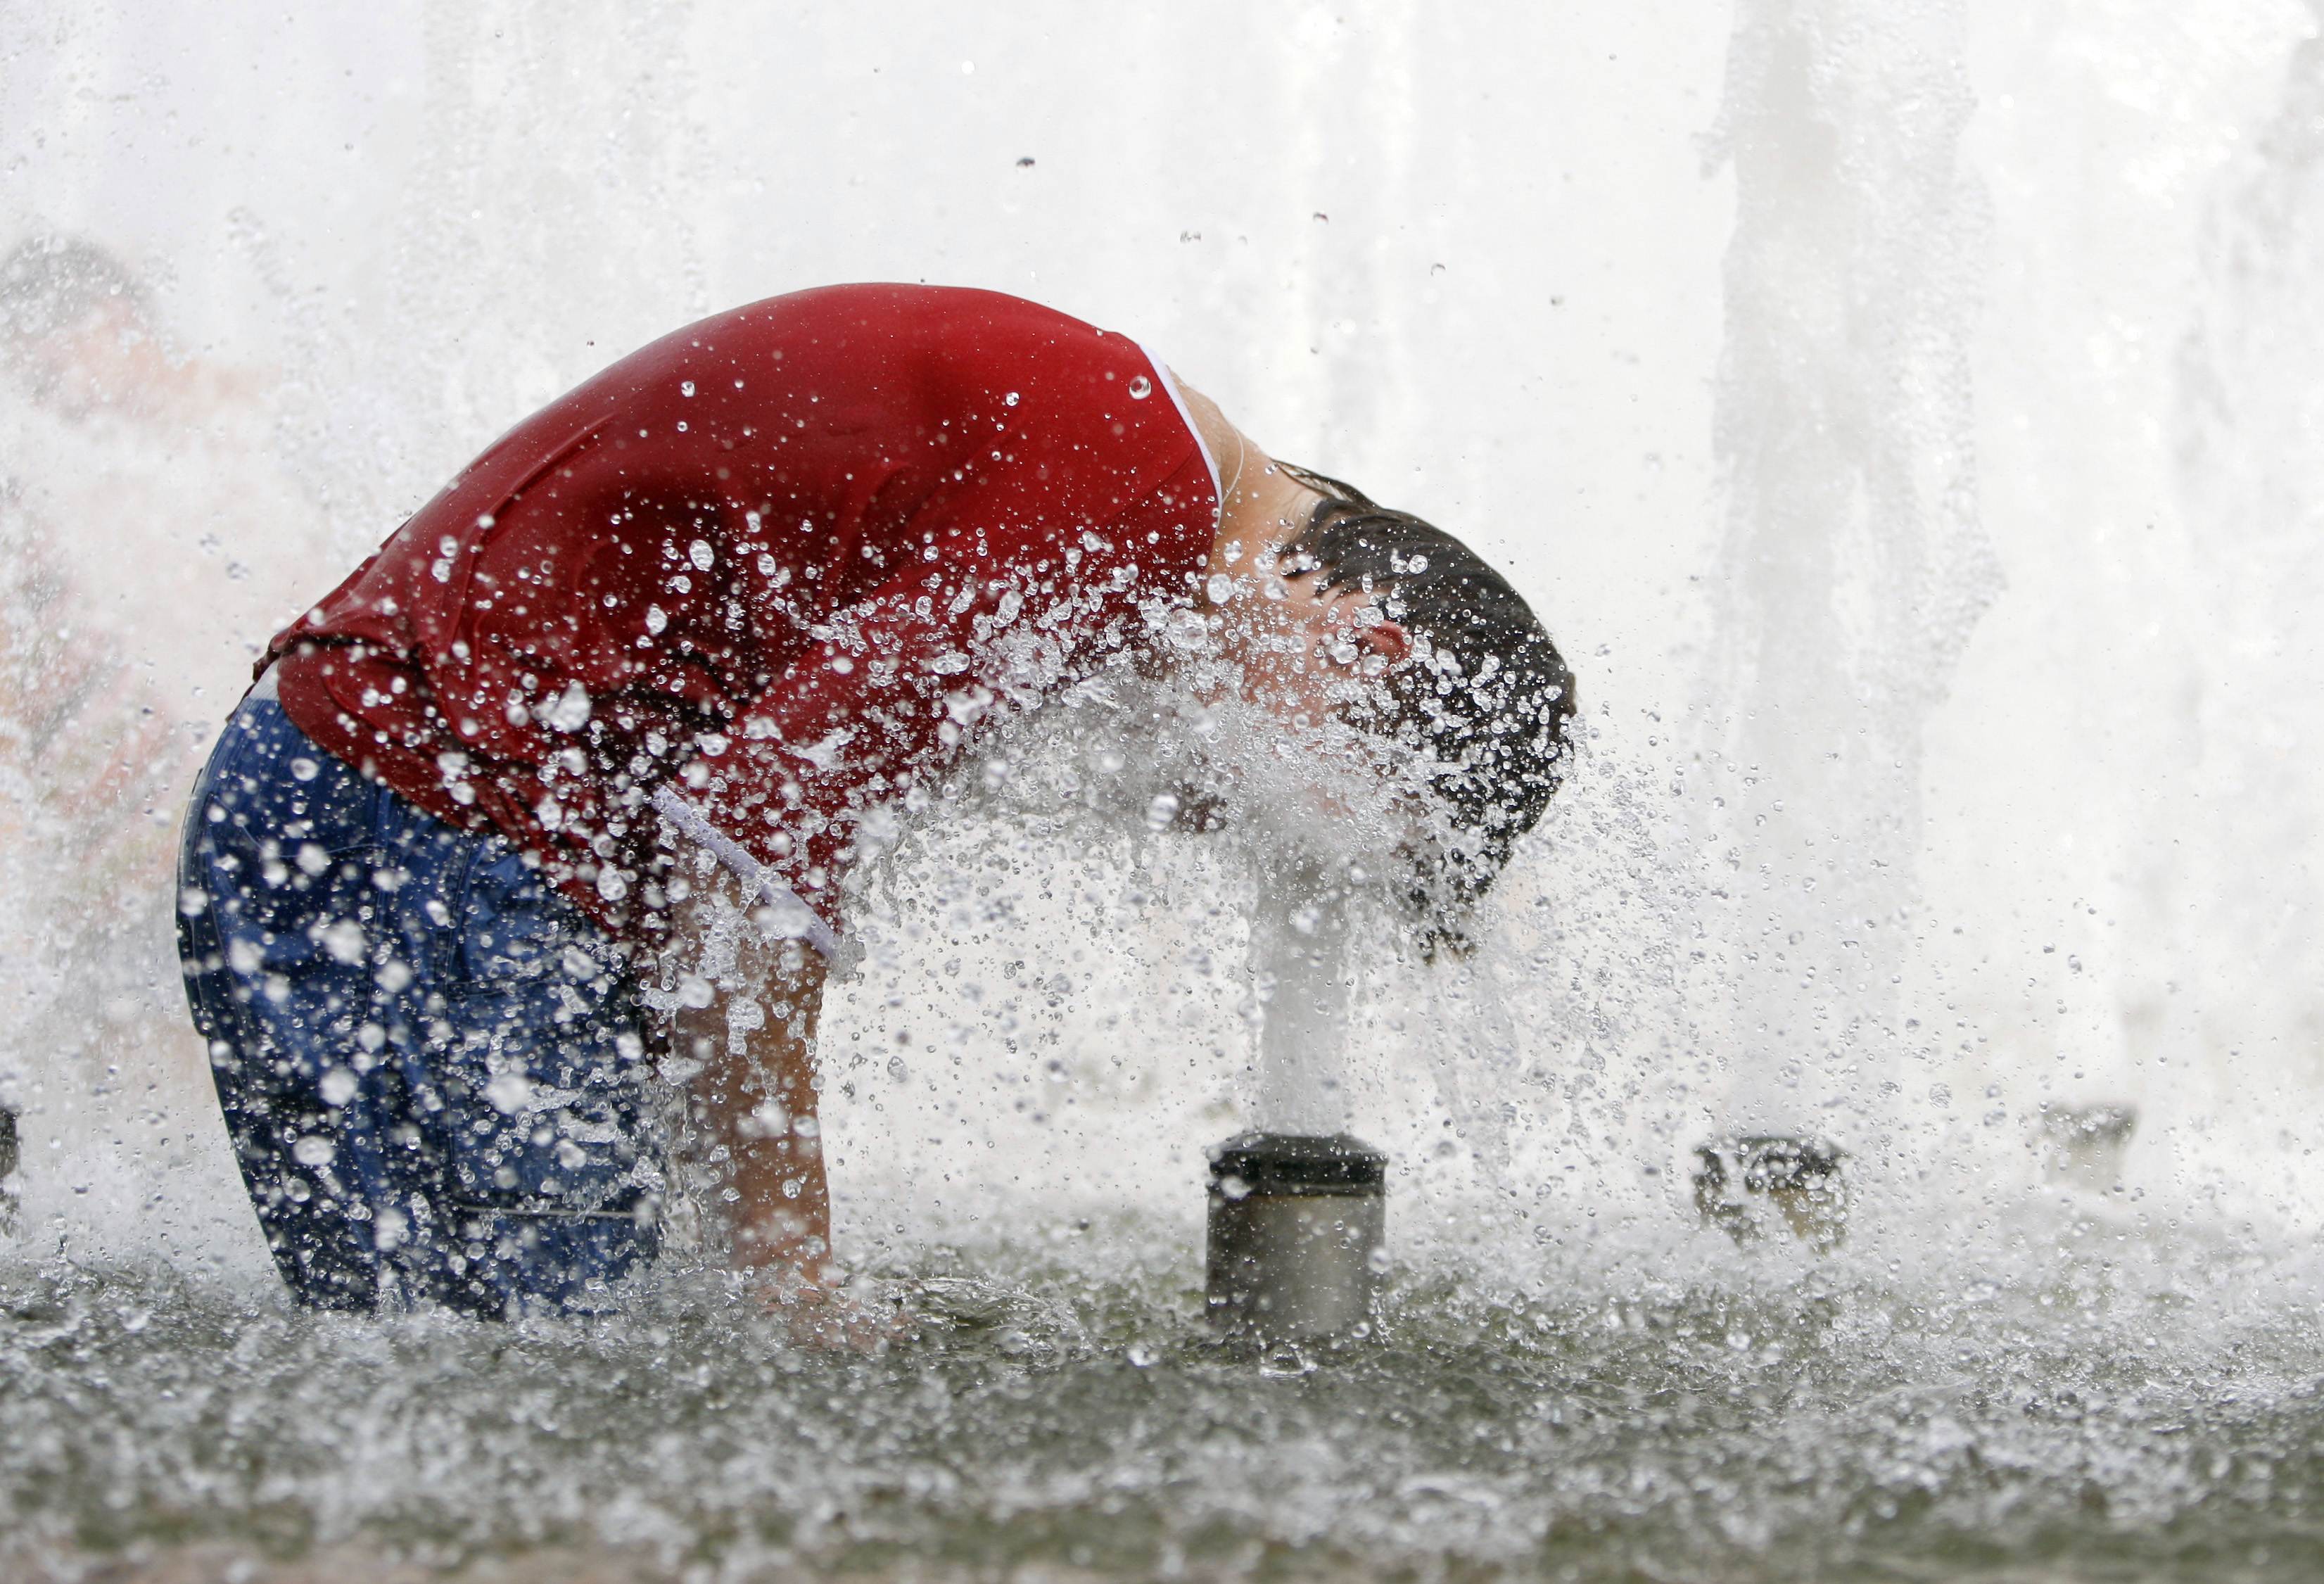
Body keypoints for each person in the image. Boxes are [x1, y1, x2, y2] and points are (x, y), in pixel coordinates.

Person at [174, 283, 1575, 1325]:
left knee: (417, 1383)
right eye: (1309, 811)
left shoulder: (1122, 461)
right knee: (544, 1388)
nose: (1239, 833)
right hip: (423, 824)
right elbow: (747, 858)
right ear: (1360, 641)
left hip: (353, 790)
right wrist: (793, 1283)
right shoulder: (1117, 493)